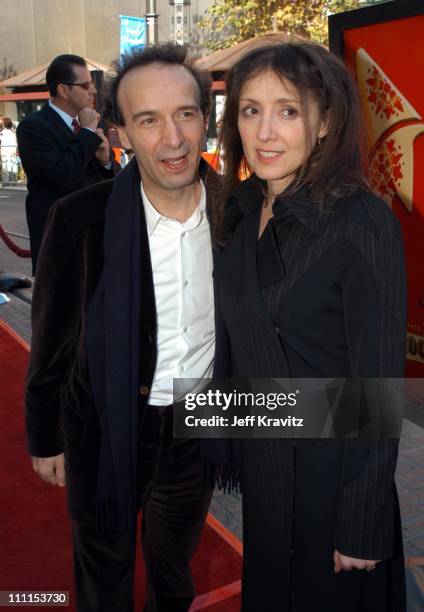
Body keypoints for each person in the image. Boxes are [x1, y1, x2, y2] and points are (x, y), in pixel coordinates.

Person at [210, 42, 406, 611]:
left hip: (335, 477)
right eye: (250, 110)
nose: (265, 132)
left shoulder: (359, 219)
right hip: (268, 469)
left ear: (325, 122)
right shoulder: (239, 211)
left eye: (288, 111)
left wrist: (362, 521)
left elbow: (376, 384)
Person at [25, 44, 218, 612]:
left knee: (173, 570)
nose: (173, 139)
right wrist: (45, 435)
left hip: (198, 427)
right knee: (103, 572)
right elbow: (52, 338)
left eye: (184, 113)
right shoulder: (81, 217)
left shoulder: (241, 211)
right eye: (148, 120)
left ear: (206, 117)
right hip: (103, 426)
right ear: (121, 132)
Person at [16, 54, 115, 274]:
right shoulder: (33, 127)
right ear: (63, 90)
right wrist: (88, 133)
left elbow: (109, 184)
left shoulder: (91, 122)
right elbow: (62, 177)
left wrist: (106, 161)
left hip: (95, 240)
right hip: (58, 243)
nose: (94, 91)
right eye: (85, 85)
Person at [0, 117, 17, 185]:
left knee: (5, 166)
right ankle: (14, 181)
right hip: (13, 150)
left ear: (4, 124)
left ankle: (6, 182)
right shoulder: (14, 132)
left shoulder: (2, 133)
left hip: (4, 151)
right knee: (13, 165)